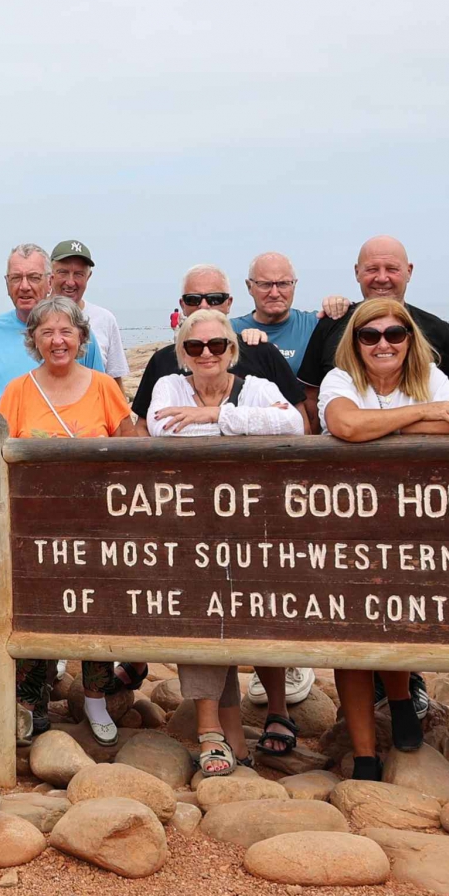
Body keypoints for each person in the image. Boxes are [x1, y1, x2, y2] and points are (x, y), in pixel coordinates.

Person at [316, 298, 449, 780]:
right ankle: (365, 755)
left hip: (415, 524)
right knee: (351, 637)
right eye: (370, 335)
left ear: (410, 338)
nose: (383, 343)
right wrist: (422, 416)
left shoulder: (430, 374)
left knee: (398, 620)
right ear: (356, 341)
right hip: (349, 525)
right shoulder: (339, 380)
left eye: (394, 334)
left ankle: (403, 700)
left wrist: (382, 426)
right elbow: (344, 424)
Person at [147, 310, 305, 772]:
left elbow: (292, 424)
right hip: (192, 522)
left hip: (256, 519)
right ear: (183, 353)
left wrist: (214, 414)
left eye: (217, 345)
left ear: (232, 350)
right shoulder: (169, 387)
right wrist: (246, 424)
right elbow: (164, 427)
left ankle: (258, 720)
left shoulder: (256, 385)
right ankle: (212, 730)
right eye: (195, 347)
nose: (207, 354)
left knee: (259, 610)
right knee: (202, 613)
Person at [0, 297, 133, 746]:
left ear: (81, 337)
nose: (57, 340)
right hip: (35, 523)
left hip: (97, 523)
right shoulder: (17, 390)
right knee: (35, 608)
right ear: (33, 339)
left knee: (95, 607)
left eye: (66, 331)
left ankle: (95, 695)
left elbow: (130, 444)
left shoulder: (102, 387)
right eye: (47, 332)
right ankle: (32, 703)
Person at [298, 236, 449, 430]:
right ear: (357, 272)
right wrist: (424, 412)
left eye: (396, 334)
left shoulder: (441, 335)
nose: (381, 278)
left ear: (409, 271)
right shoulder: (331, 326)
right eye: (368, 336)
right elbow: (311, 398)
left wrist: (377, 428)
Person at [0, 243, 104, 438]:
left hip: (67, 452)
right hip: (1, 453)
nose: (24, 286)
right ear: (7, 283)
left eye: (34, 278)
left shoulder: (76, 336)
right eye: (16, 278)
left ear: (50, 281)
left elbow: (100, 398)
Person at [131, 264, 309, 435]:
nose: (204, 306)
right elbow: (147, 427)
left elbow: (297, 423)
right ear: (183, 305)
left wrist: (213, 414)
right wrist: (258, 424)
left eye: (214, 298)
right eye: (193, 299)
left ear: (229, 303)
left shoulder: (262, 353)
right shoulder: (163, 363)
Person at [228, 252, 349, 373]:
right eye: (265, 285)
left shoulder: (316, 325)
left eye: (283, 284)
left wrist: (342, 308)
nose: (274, 294)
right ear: (249, 287)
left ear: (294, 285)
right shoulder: (229, 331)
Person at [50, 239, 128, 385]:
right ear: (50, 274)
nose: (70, 282)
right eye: (63, 273)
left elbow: (115, 382)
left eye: (78, 274)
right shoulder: (36, 320)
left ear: (88, 276)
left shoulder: (105, 319)